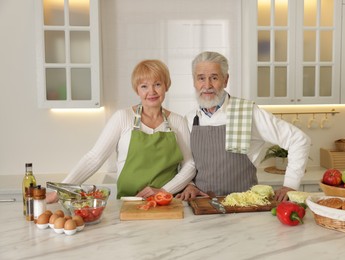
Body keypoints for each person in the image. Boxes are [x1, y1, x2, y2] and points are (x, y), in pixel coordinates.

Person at [46, 60, 196, 203]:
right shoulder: (122, 118)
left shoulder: (178, 121)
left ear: (166, 86)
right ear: (136, 89)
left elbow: (189, 164)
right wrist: (61, 189)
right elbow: (94, 158)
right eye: (144, 86)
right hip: (129, 202)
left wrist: (164, 191)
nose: (151, 91)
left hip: (167, 202)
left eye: (157, 84)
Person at [176, 51, 311, 202]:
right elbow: (188, 163)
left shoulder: (247, 112)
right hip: (203, 205)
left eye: (214, 78)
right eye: (201, 78)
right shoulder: (190, 119)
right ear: (194, 82)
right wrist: (190, 184)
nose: (207, 85)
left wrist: (290, 185)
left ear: (226, 80)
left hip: (245, 208)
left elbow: (299, 140)